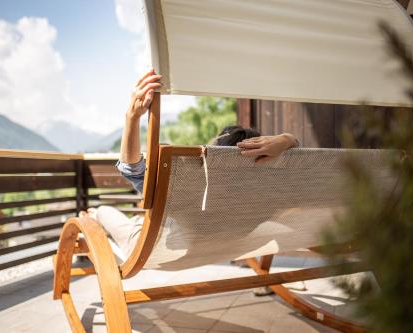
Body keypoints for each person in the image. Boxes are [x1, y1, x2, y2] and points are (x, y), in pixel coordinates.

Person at [82, 69, 299, 258]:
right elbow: (305, 171)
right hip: (209, 247)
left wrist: (131, 116)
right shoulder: (263, 195)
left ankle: (95, 215)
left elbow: (133, 170)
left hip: (148, 248)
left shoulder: (189, 190)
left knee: (102, 210)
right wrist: (289, 139)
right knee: (142, 218)